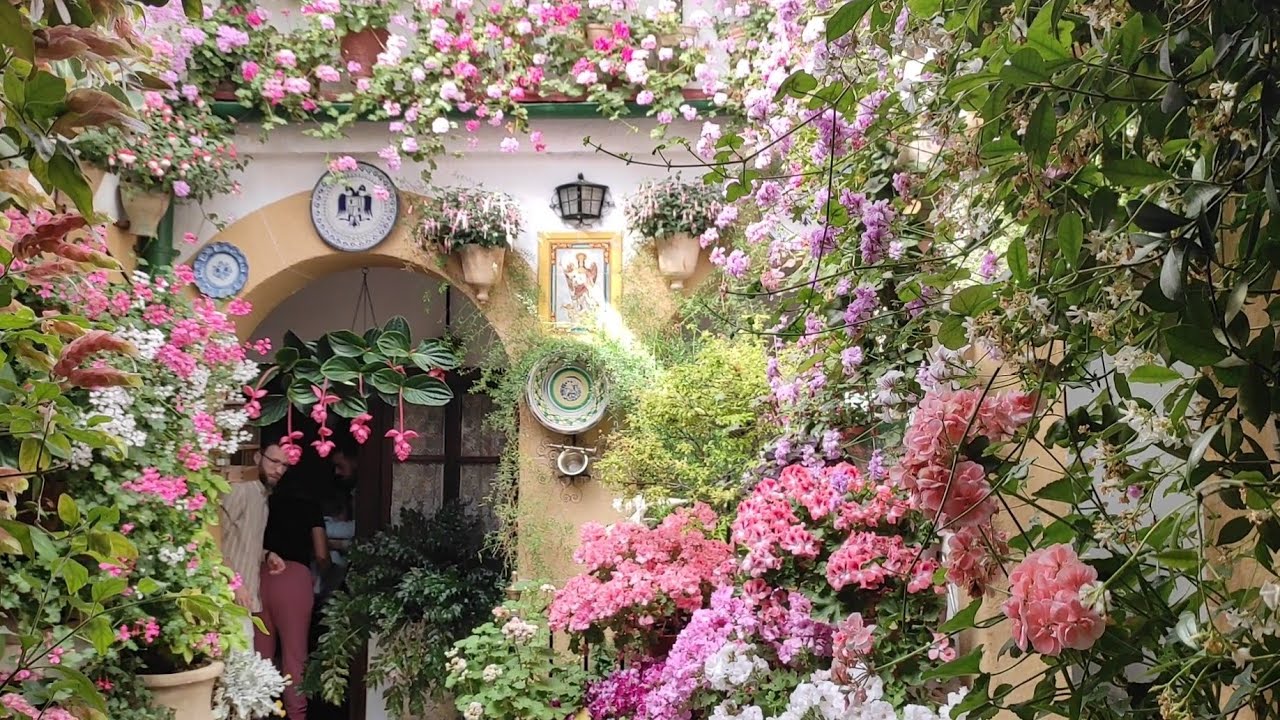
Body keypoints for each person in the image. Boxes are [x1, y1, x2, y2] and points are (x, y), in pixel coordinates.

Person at [256, 458, 329, 720]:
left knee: (260, 655)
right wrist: (328, 574)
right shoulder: (310, 506)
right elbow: (321, 553)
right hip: (295, 578)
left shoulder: (265, 501)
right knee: (294, 657)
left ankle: (258, 712)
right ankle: (297, 715)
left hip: (260, 575)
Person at [218, 444, 288, 640]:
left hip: (243, 596)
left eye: (285, 465)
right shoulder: (240, 490)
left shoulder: (261, 494)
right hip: (227, 595)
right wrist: (236, 583)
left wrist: (267, 555)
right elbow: (213, 540)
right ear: (258, 458)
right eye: (274, 462)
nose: (279, 470)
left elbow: (241, 539)